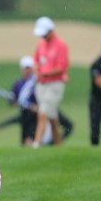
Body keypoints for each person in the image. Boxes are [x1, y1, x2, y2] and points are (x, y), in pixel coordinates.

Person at [32, 16, 70, 148]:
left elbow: (62, 68)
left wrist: (45, 73)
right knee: (52, 118)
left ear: (50, 30)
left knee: (42, 113)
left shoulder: (61, 44)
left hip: (55, 85)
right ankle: (59, 145)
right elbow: (35, 61)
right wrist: (37, 71)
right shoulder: (41, 44)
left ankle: (36, 143)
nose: (42, 36)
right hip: (41, 85)